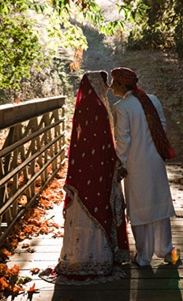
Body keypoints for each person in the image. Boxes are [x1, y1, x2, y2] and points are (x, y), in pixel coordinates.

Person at [51, 70, 130, 283]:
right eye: (105, 82)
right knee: (98, 203)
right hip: (98, 167)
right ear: (97, 82)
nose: (107, 87)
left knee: (83, 205)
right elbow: (104, 141)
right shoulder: (98, 107)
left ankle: (76, 257)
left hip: (83, 168)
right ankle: (98, 258)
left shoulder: (83, 105)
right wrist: (116, 162)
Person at [110, 67, 179, 267]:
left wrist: (120, 164)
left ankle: (144, 257)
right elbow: (162, 127)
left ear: (123, 84)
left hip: (135, 163)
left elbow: (123, 141)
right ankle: (168, 252)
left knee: (140, 209)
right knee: (159, 207)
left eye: (114, 82)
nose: (111, 87)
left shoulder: (122, 107)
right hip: (155, 160)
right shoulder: (152, 100)